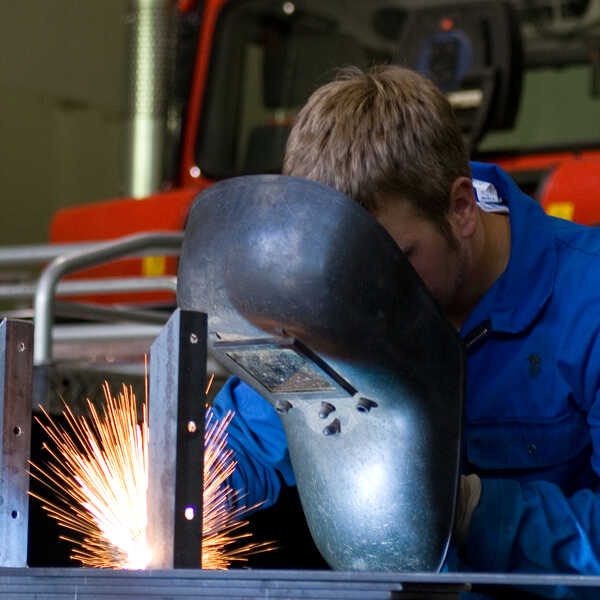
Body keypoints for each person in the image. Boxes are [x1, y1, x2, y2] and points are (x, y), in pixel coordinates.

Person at [211, 64, 600, 580]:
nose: (367, 302)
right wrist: (192, 479)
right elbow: (251, 433)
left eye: (395, 261)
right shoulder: (339, 300)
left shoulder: (586, 304)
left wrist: (469, 512)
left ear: (461, 209)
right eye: (344, 273)